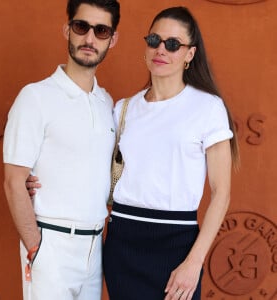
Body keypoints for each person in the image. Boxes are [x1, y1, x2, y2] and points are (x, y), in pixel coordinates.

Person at [102, 6, 239, 300]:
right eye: (154, 40)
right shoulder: (123, 109)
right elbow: (94, 171)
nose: (161, 50)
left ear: (189, 54)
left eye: (173, 44)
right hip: (122, 243)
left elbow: (221, 193)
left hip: (177, 245)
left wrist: (194, 262)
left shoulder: (207, 108)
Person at [3, 0, 120, 299]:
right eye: (82, 27)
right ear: (67, 29)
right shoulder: (35, 97)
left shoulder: (107, 103)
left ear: (113, 39)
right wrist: (35, 247)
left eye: (101, 30)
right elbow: (14, 181)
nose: (90, 39)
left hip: (95, 247)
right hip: (50, 243)